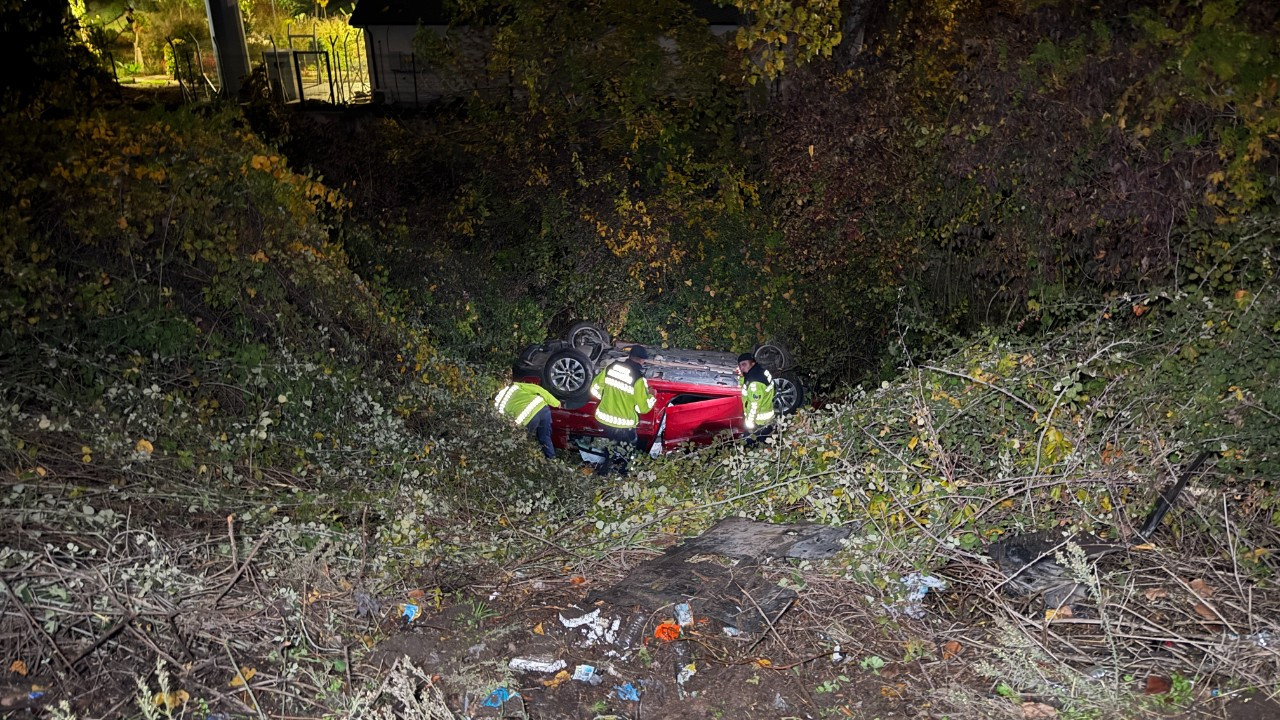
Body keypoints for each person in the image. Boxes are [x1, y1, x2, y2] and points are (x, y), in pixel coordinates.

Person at [589, 345, 655, 473]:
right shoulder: (638, 379)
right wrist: (652, 396)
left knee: (611, 445)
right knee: (629, 448)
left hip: (604, 419)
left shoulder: (612, 367)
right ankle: (624, 473)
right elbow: (643, 408)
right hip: (623, 424)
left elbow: (595, 387)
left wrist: (605, 398)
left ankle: (604, 471)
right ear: (642, 360)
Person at [493, 381, 562, 459]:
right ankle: (552, 458)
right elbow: (538, 389)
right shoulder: (515, 386)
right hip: (542, 409)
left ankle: (534, 459)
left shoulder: (498, 407)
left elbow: (508, 424)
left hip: (529, 420)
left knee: (524, 444)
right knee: (545, 437)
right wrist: (555, 402)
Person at [737, 352, 776, 444]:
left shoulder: (755, 383)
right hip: (767, 417)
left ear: (752, 363)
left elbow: (754, 405)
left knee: (749, 444)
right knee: (766, 444)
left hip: (758, 422)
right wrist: (742, 378)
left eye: (744, 364)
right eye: (740, 366)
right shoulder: (760, 371)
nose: (742, 368)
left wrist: (750, 423)